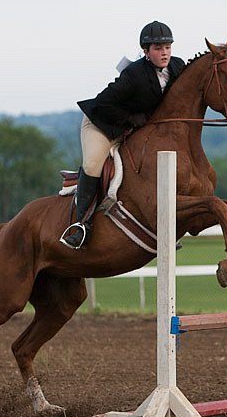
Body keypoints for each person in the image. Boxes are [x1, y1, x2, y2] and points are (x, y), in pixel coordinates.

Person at [60, 21, 185, 249]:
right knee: (93, 164)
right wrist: (130, 118)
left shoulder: (177, 67)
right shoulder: (134, 74)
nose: (164, 52)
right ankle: (81, 226)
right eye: (158, 48)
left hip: (133, 129)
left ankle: (163, 226)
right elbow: (103, 103)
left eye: (167, 46)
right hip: (102, 125)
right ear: (146, 52)